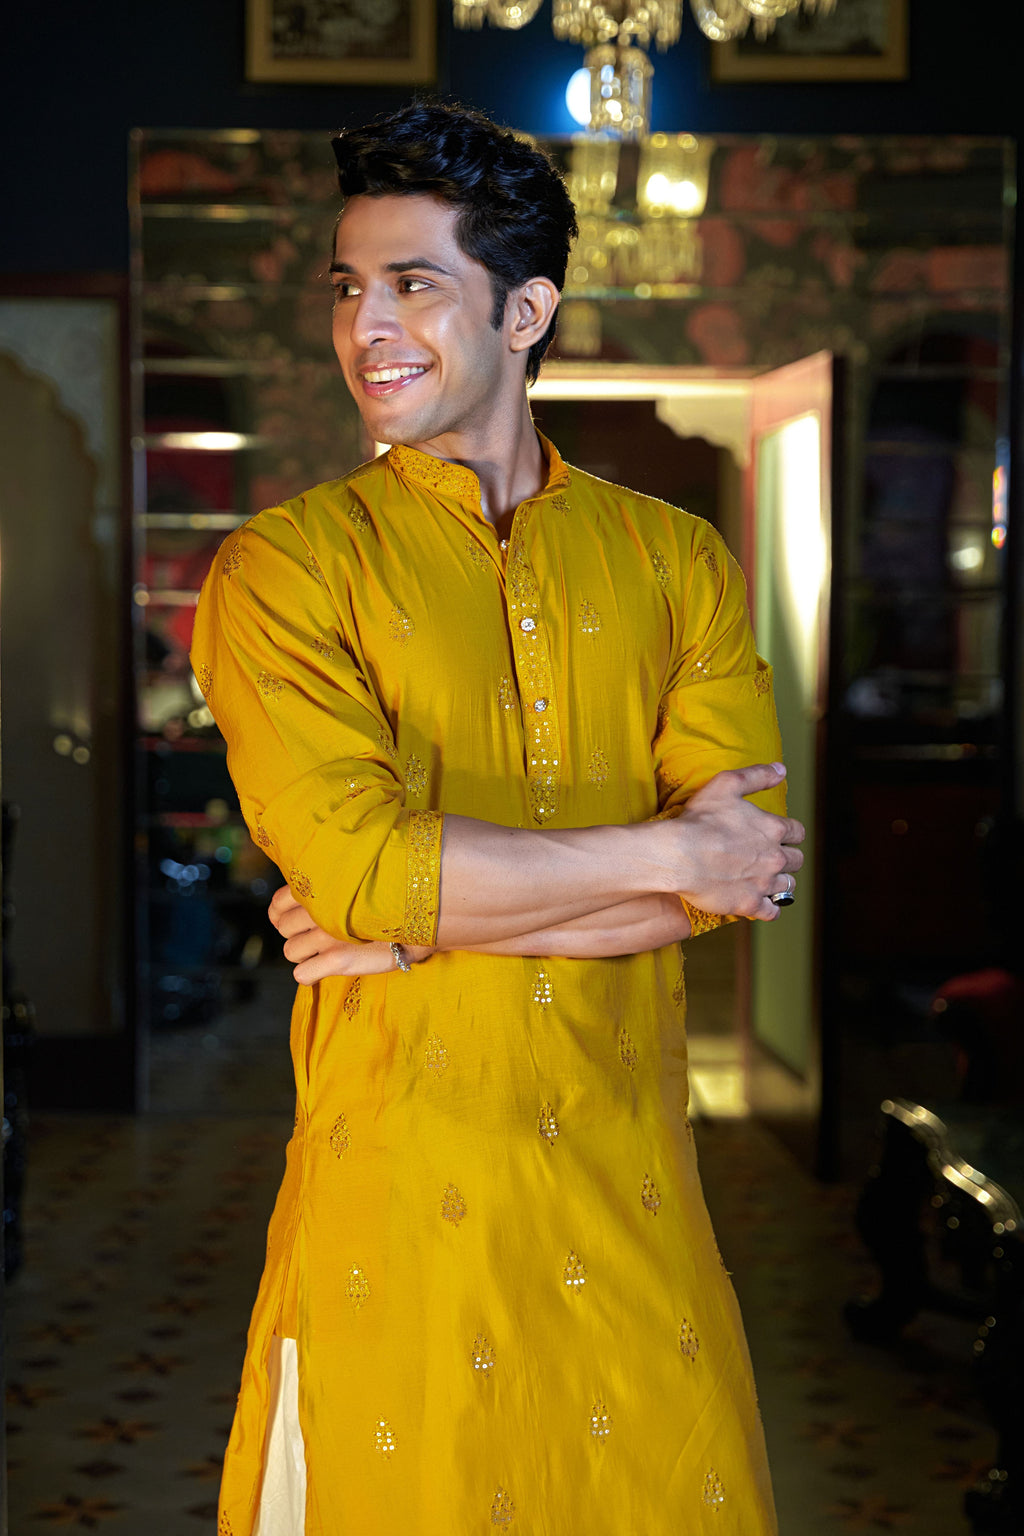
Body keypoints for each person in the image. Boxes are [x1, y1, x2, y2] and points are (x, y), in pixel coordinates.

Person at [191, 101, 803, 1536]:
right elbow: (362, 863)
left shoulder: (676, 559)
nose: (367, 327)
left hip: (632, 1182)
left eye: (414, 283)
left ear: (526, 309)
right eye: (347, 286)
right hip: (396, 1181)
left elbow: (747, 879)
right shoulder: (283, 573)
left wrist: (408, 924)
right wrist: (668, 854)